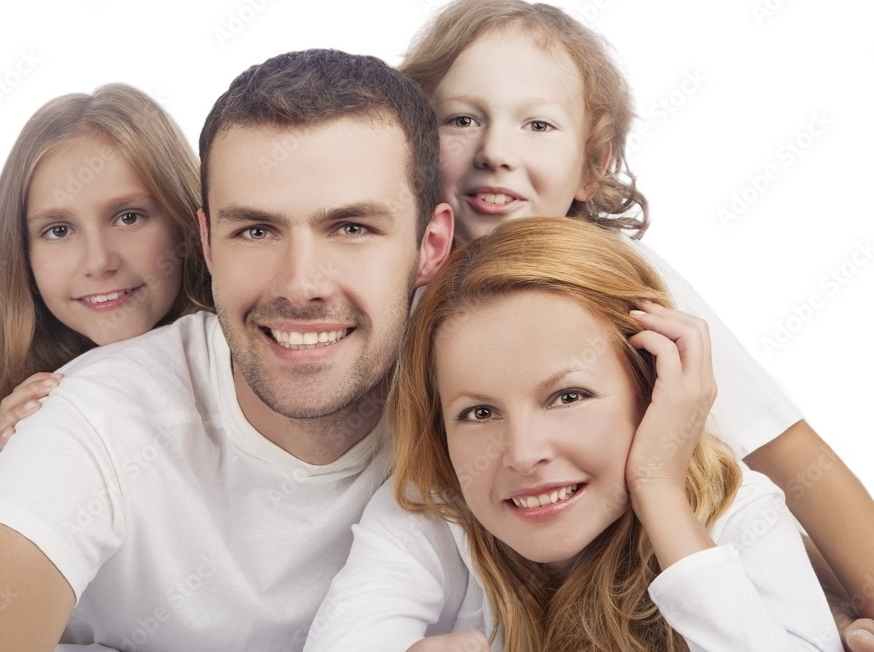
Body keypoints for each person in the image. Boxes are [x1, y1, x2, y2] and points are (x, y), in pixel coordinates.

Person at [0, 49, 453, 651]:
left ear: (432, 244)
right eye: (255, 231)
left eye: (352, 228)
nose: (299, 284)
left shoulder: (483, 395)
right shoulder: (82, 409)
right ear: (208, 243)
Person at [398, 0, 874, 648]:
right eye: (460, 119)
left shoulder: (623, 282)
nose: (495, 151)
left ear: (593, 165)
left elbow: (779, 448)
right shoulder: (394, 279)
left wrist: (863, 591)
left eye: (538, 125)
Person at [307, 217, 842, 651]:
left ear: (651, 387)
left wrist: (659, 490)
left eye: (568, 397)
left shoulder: (733, 506)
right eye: (478, 413)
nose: (523, 454)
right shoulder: (430, 513)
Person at [0, 82, 211, 643]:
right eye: (58, 230)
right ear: (24, 255)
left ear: (185, 221)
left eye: (129, 217)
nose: (98, 261)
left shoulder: (235, 358)